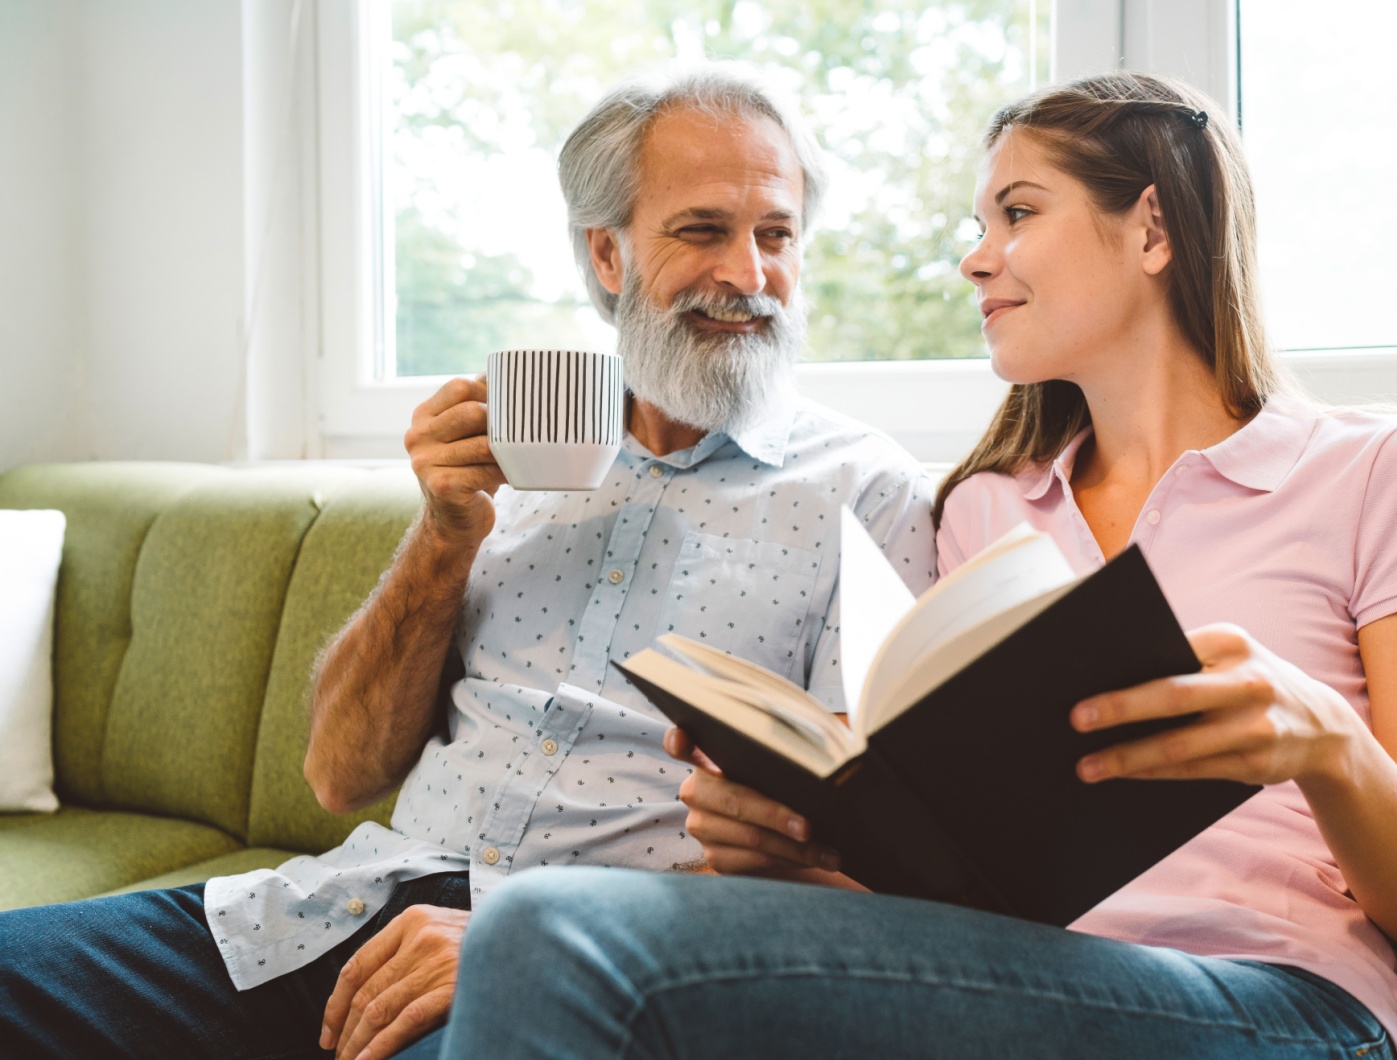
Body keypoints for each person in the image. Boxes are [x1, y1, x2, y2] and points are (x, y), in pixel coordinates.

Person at [431, 72, 1397, 1060]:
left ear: (1149, 227)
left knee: (543, 932)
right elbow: (953, 876)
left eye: (1017, 214)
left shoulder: (1378, 467)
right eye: (977, 224)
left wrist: (1325, 744)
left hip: (1277, 1003)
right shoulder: (985, 510)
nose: (973, 258)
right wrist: (789, 846)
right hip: (1020, 983)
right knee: (569, 941)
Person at [0, 66, 936, 1060]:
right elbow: (337, 773)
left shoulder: (867, 492)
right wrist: (445, 532)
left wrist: (527, 934)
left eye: (776, 234)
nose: (748, 272)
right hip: (336, 908)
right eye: (701, 230)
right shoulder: (520, 450)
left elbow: (853, 857)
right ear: (607, 253)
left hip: (587, 958)